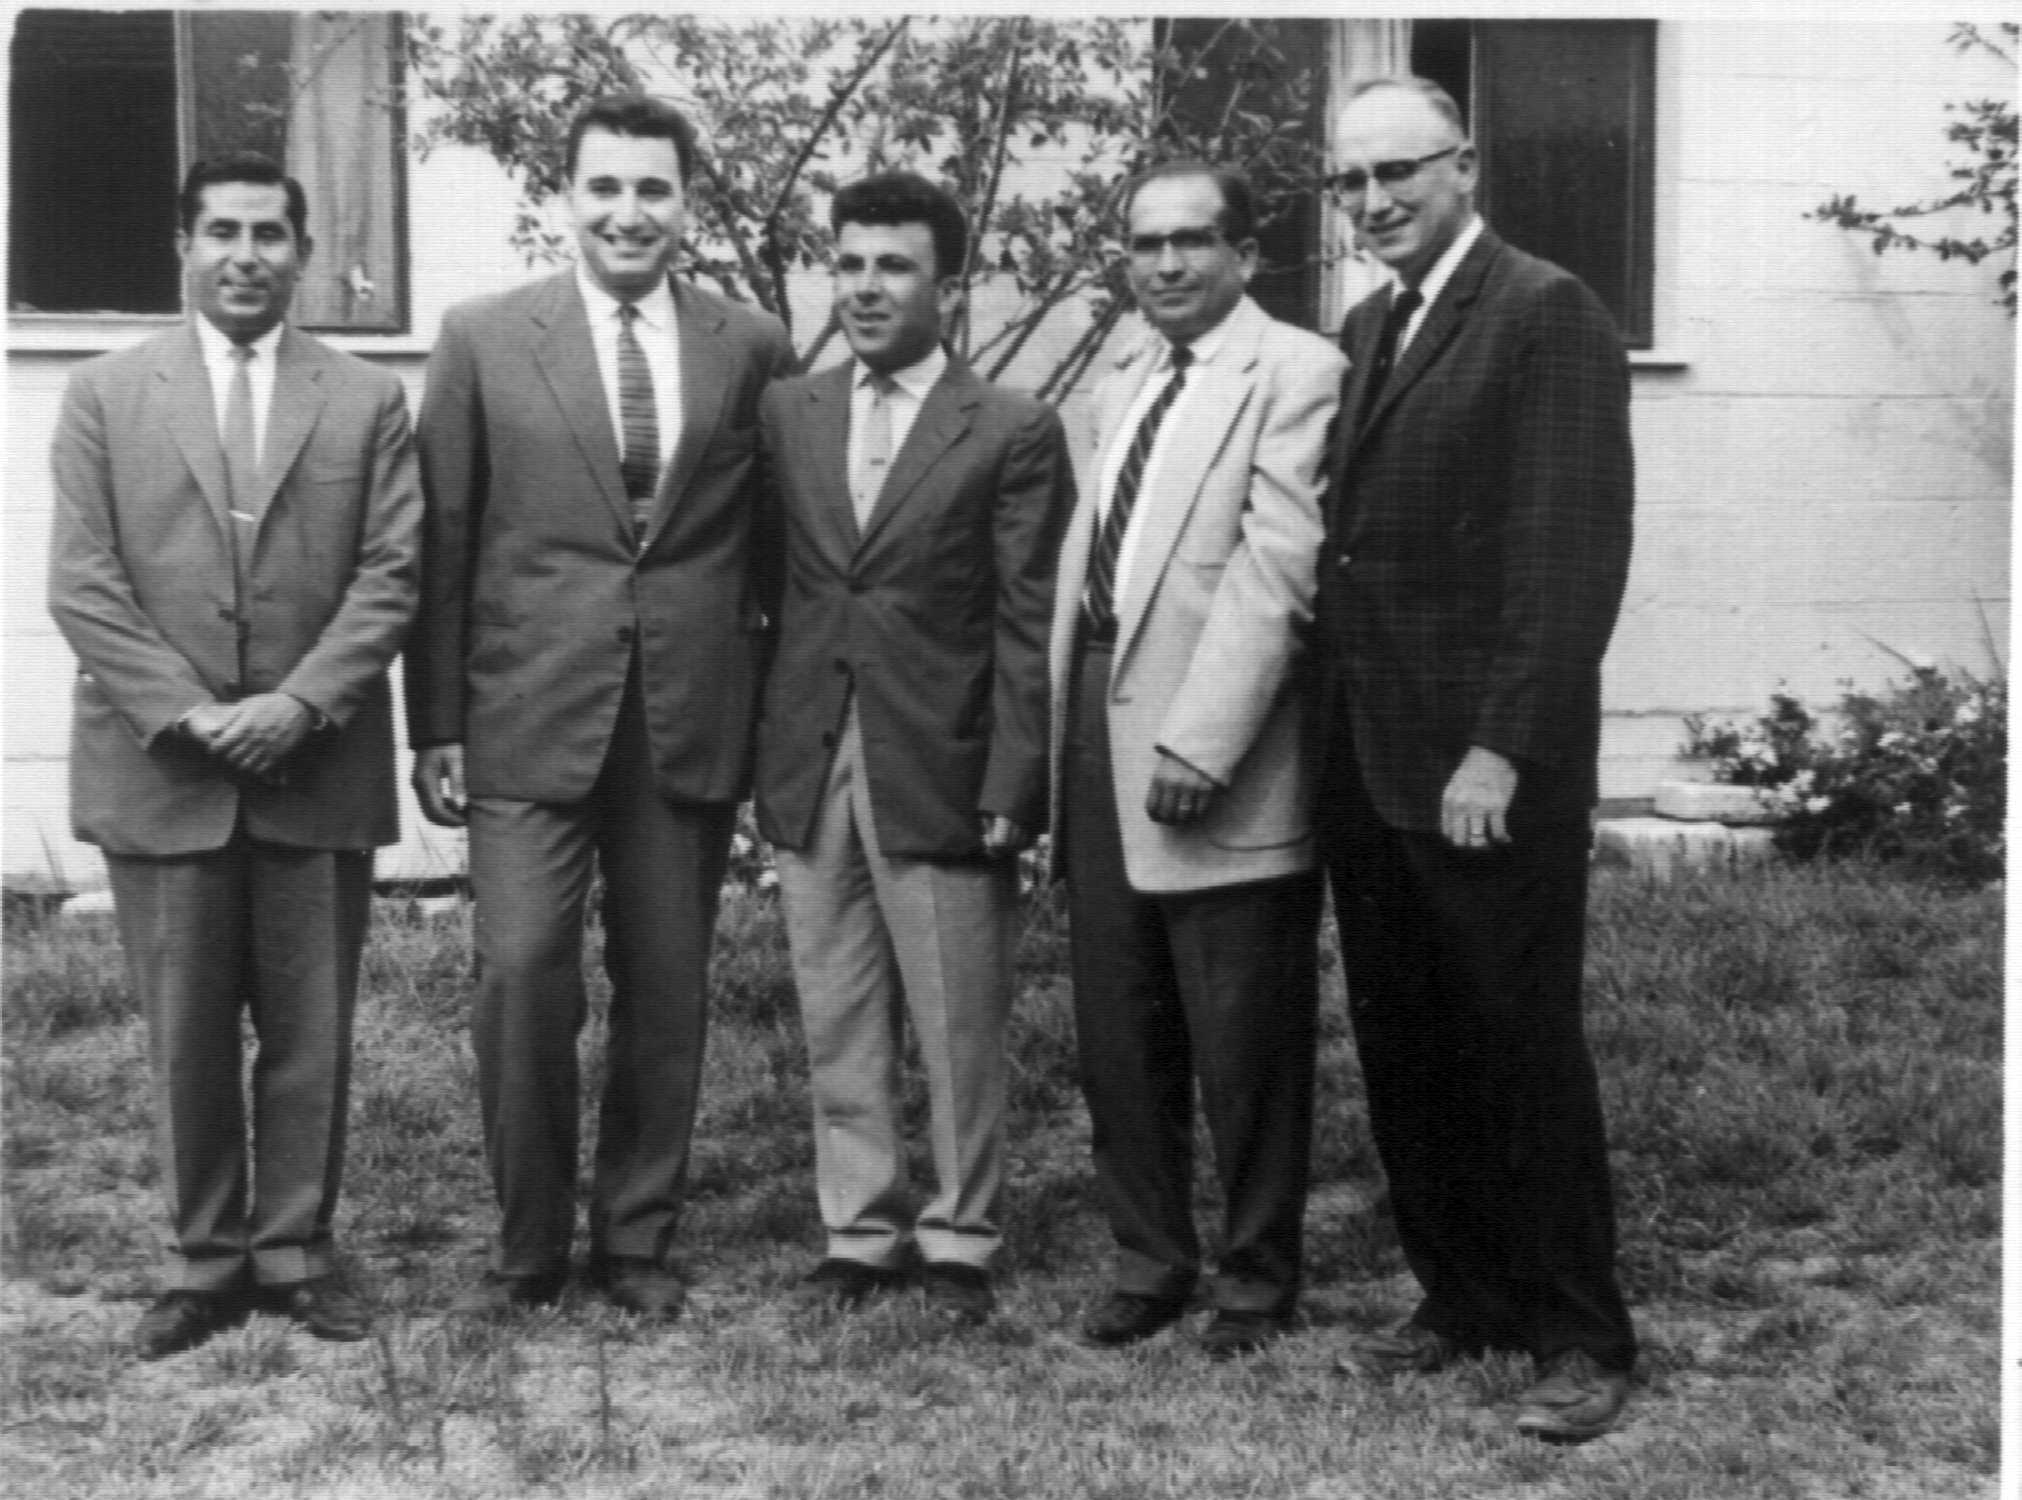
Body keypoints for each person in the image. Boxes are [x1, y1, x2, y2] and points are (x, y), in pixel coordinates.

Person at [406, 94, 795, 1319]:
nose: (630, 213)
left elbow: (773, 550)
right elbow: (445, 538)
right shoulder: (481, 337)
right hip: (526, 713)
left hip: (685, 717)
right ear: (567, 198)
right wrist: (436, 726)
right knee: (523, 973)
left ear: (686, 202)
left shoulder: (750, 343)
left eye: (655, 190)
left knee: (667, 983)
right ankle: (527, 1248)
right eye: (606, 189)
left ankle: (635, 1239)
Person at [47, 152, 421, 1359]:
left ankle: (298, 1251)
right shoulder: (106, 393)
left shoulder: (364, 400)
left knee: (311, 1028)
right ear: (185, 247)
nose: (247, 253)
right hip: (166, 768)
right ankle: (204, 1258)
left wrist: (302, 703)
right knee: (188, 1032)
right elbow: (84, 585)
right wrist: (191, 713)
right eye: (223, 232)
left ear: (304, 253)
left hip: (316, 761)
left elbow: (391, 575)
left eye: (270, 233)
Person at [1315, 76, 1638, 1440]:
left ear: (1466, 164)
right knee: (1407, 1040)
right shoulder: (1373, 320)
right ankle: (1460, 1297)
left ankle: (1580, 1331)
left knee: (1514, 1042)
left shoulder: (1543, 309)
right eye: (1351, 183)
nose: (1375, 200)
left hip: (1480, 768)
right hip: (1370, 756)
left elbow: (1562, 559)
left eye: (1401, 172)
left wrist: (1499, 749)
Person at [753, 172, 1073, 1323]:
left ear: (949, 282)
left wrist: (1016, 781)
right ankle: (861, 1227)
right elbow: (770, 588)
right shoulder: (793, 412)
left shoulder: (1011, 428)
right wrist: (767, 758)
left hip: (940, 755)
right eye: (848, 264)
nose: (868, 287)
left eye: (894, 266)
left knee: (956, 1014)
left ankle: (962, 1234)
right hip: (811, 756)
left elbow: (1028, 619)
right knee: (836, 1005)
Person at [1046, 161, 1344, 1359]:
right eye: (1143, 245)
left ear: (1245, 254)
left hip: (1212, 747)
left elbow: (1279, 569)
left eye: (1191, 242)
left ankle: (1258, 1277)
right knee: (1119, 1023)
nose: (1164, 265)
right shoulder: (1123, 379)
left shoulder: (1294, 371)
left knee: (1244, 1036)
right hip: (1094, 726)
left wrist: (1203, 739)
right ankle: (1148, 1258)